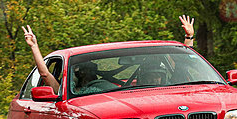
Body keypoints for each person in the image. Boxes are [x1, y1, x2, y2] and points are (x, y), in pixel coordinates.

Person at [22, 16, 197, 93]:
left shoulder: (172, 86)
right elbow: (45, 74)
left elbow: (183, 64)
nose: (155, 80)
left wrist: (189, 37)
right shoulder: (70, 91)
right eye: (81, 72)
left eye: (157, 76)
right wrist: (35, 47)